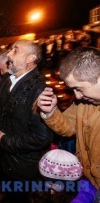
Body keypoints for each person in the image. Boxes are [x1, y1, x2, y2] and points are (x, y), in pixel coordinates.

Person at [0, 40, 53, 202]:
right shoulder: (8, 79)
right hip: (3, 159)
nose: (8, 54)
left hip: (22, 168)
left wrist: (6, 140)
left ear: (30, 58)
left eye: (15, 50)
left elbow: (42, 138)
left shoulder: (39, 89)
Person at [37, 46, 100, 200]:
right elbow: (68, 127)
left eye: (79, 88)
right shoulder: (85, 102)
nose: (77, 96)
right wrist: (51, 111)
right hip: (90, 182)